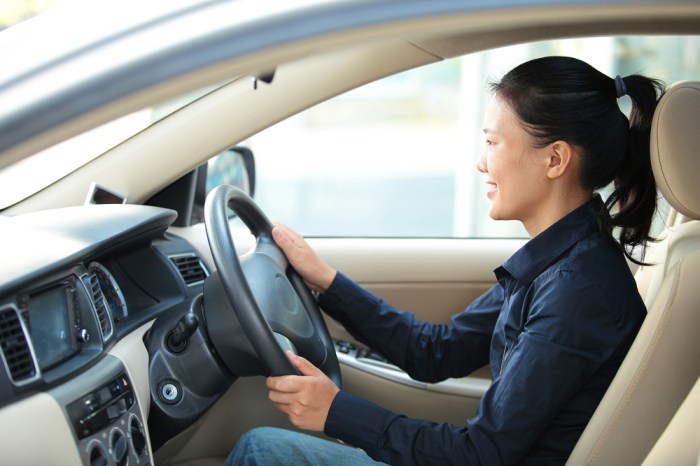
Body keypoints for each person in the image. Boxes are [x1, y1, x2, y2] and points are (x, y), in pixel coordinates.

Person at [224, 56, 665, 465]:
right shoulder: (558, 264)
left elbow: (480, 454)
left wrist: (335, 412)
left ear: (555, 159)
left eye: (493, 142)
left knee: (259, 449)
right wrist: (327, 281)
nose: (480, 162)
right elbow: (437, 352)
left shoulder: (576, 289)